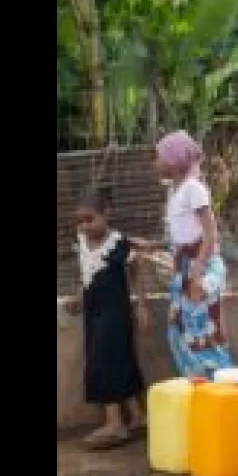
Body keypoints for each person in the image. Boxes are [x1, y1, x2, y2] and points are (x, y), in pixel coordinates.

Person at [64, 184, 150, 450]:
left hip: (115, 313)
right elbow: (86, 274)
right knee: (116, 359)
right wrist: (79, 298)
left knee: (105, 361)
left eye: (90, 219)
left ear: (107, 214)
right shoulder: (82, 242)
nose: (85, 226)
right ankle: (137, 417)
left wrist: (142, 305)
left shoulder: (117, 243)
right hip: (94, 312)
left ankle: (115, 423)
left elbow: (135, 272)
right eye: (80, 221)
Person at [150, 130, 234, 377]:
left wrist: (197, 274)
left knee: (204, 333)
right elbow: (181, 236)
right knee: (180, 332)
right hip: (184, 269)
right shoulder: (175, 192)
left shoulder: (194, 189)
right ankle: (198, 391)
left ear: (174, 160)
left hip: (200, 267)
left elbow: (210, 234)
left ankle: (221, 389)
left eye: (159, 157)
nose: (155, 163)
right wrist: (151, 246)